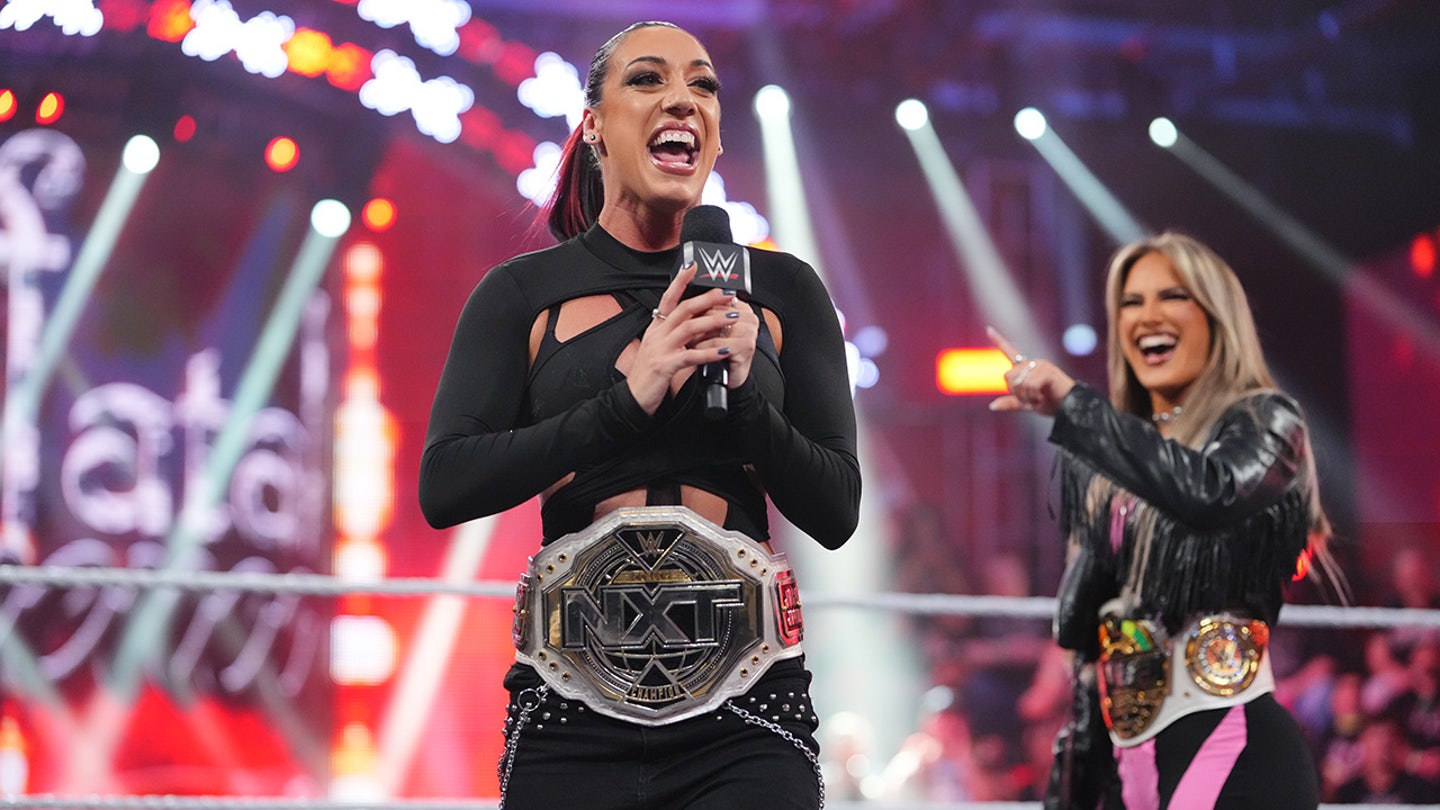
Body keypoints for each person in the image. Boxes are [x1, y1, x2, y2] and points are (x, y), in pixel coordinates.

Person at [417, 20, 860, 810]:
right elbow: (445, 486)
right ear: (593, 125)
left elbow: (836, 511)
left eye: (704, 85)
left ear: (716, 134)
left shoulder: (784, 292)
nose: (683, 100)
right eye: (649, 79)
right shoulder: (521, 294)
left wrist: (745, 399)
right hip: (571, 713)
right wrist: (626, 402)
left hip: (747, 714)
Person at [988, 231, 1343, 809]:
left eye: (1172, 295)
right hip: (1129, 767)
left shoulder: (1267, 422)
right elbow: (1086, 652)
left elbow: (1212, 494)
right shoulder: (1119, 462)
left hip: (1231, 750)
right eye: (1131, 302)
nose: (1147, 315)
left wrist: (1077, 408)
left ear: (1216, 317)